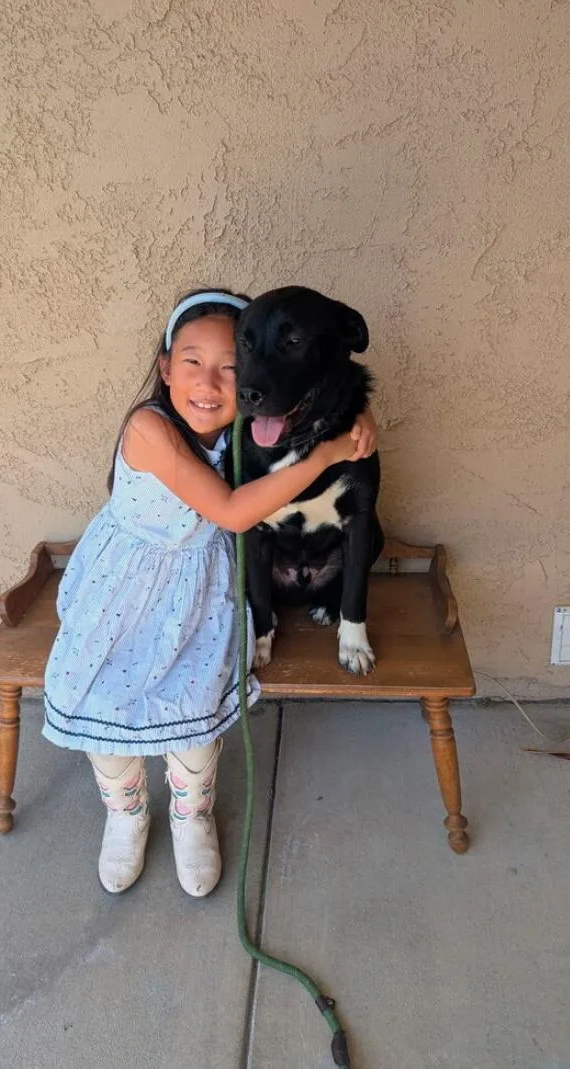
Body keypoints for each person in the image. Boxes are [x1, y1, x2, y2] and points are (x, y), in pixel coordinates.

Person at [43, 289, 378, 897]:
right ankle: (125, 814)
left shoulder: (241, 430)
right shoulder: (151, 429)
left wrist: (359, 420)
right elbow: (229, 510)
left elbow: (329, 405)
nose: (214, 382)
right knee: (104, 701)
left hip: (195, 597)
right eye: (193, 362)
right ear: (165, 366)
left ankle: (191, 815)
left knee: (195, 705)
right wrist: (332, 449)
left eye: (231, 367)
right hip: (122, 598)